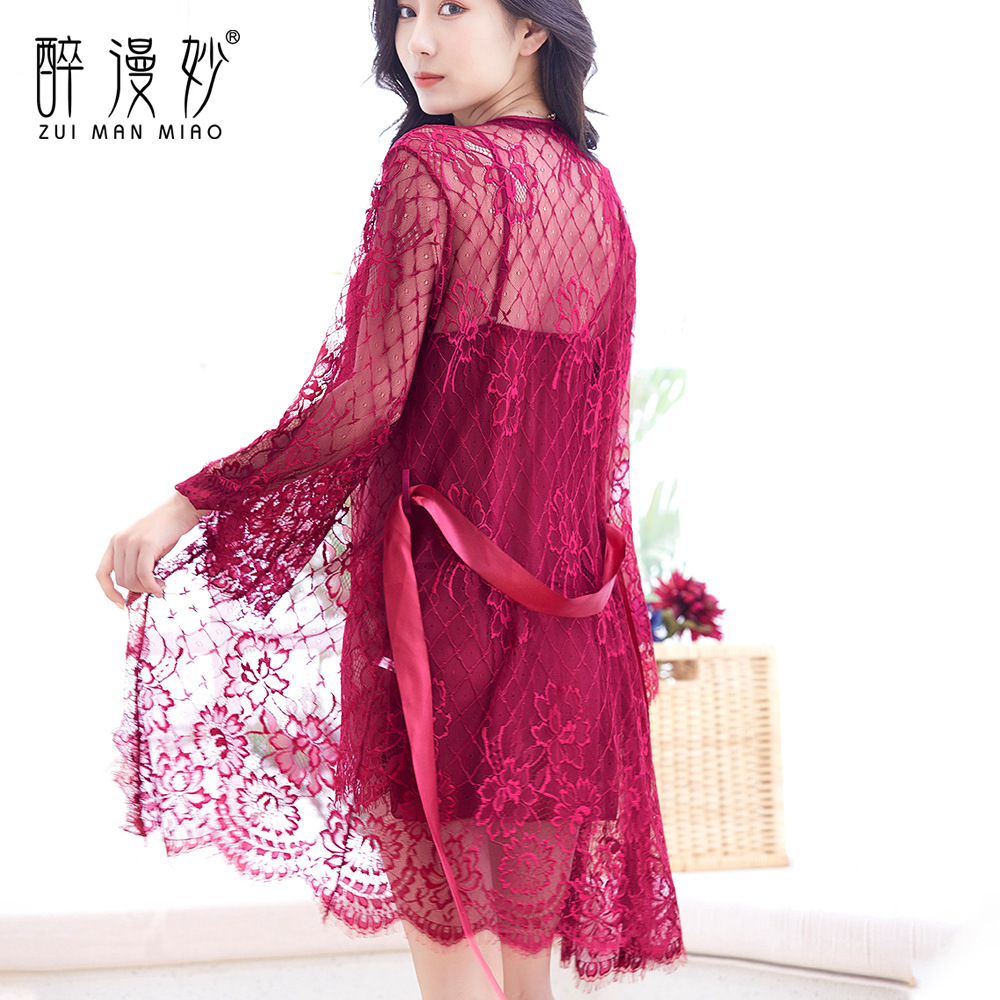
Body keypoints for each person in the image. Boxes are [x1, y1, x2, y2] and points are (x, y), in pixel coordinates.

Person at [97, 1, 686, 998]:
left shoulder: (432, 168)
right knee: (523, 984)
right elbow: (594, 450)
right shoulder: (598, 193)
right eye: (407, 10)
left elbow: (359, 406)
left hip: (440, 618)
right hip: (564, 633)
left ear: (533, 28)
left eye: (452, 8)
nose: (418, 40)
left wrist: (188, 505)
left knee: (456, 976)